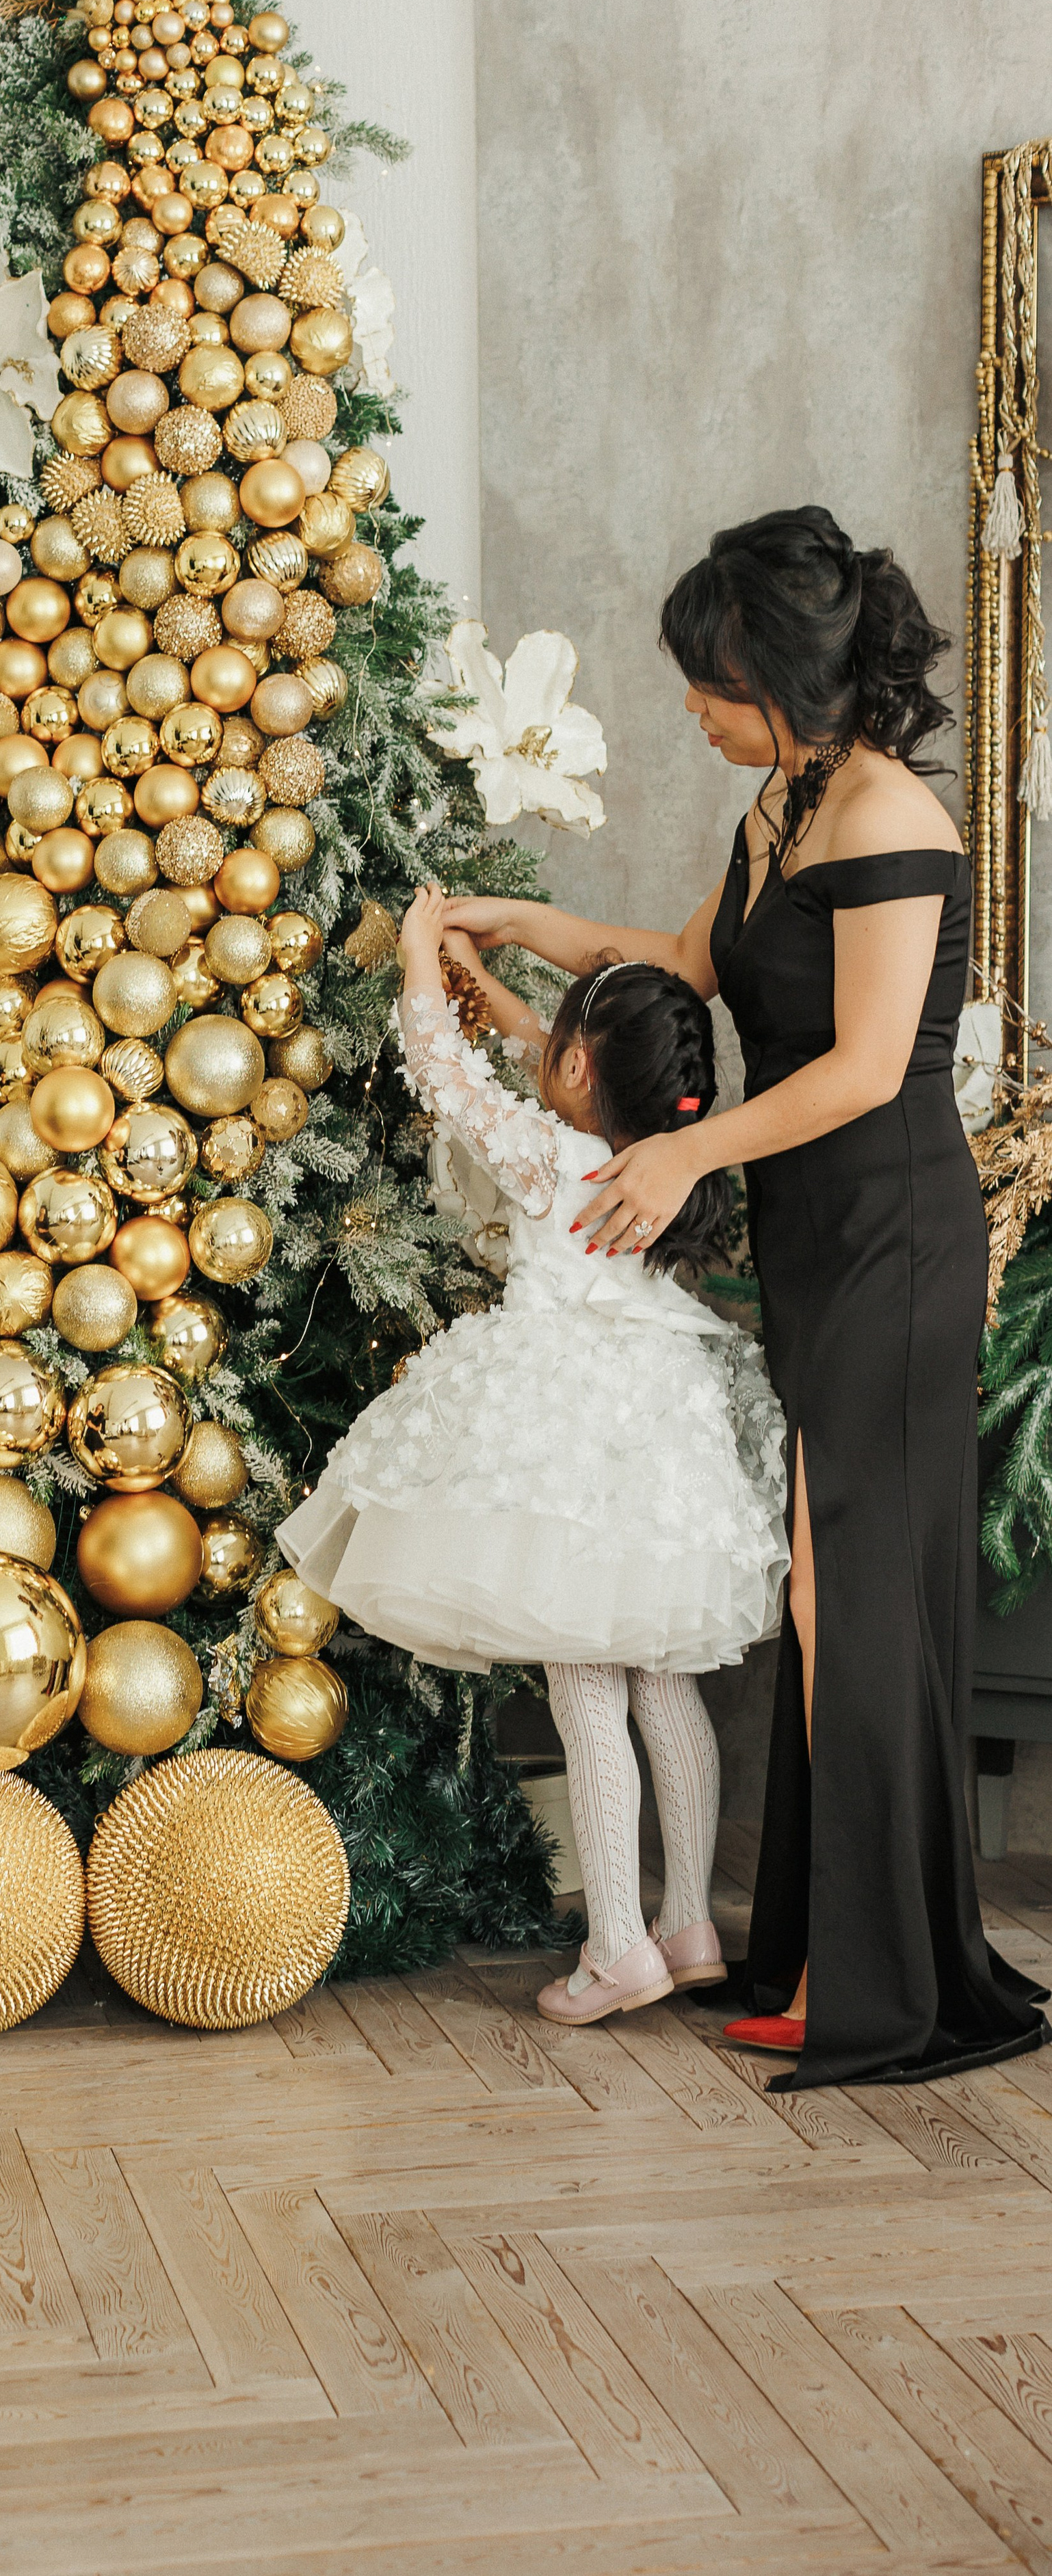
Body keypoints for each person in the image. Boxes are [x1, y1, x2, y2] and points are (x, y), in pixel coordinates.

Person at [443, 503, 1049, 2087]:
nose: (693, 714)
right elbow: (681, 959)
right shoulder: (782, 804)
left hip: (893, 1239)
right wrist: (523, 934)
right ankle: (822, 1955)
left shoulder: (888, 817)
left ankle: (888, 1980)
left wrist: (687, 1147)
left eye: (707, 687)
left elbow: (861, 1065)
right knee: (818, 1595)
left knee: (837, 1592)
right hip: (811, 1235)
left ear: (775, 674)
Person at [279, 886, 789, 2023]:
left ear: (571, 1076)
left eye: (555, 1046)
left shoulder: (549, 1160)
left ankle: (617, 1945)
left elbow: (447, 1075)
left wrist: (422, 959)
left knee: (586, 1678)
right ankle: (689, 1921)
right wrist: (508, 998)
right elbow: (539, 1055)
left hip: (563, 1444)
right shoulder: (673, 1159)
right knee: (666, 1676)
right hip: (666, 1439)